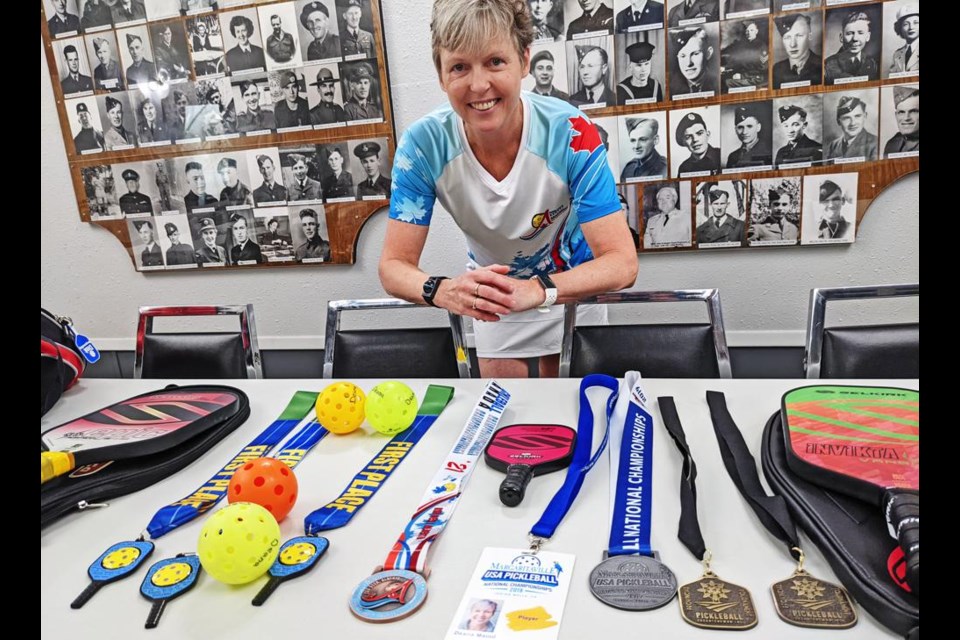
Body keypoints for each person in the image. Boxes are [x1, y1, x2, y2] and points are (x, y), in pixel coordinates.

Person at [380, 0, 637, 378]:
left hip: (569, 289)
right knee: (505, 421)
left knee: (571, 418)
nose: (479, 85)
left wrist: (539, 289)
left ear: (525, 60)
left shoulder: (572, 132)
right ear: (440, 74)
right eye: (459, 67)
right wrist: (443, 290)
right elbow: (392, 267)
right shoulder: (422, 146)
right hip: (494, 299)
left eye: (495, 62)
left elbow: (621, 262)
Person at [824, 10, 878, 83]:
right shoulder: (827, 65)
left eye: (860, 33)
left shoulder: (872, 63)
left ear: (868, 36)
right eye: (849, 33)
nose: (855, 38)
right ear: (841, 37)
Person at [772, 13, 822, 88]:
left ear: (810, 36)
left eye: (799, 36)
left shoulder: (822, 65)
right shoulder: (777, 69)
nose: (792, 44)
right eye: (787, 37)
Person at [824, 95, 877, 161]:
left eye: (857, 116)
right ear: (838, 121)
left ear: (865, 116)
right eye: (846, 118)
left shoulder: (875, 143)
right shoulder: (833, 145)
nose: (853, 123)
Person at [720, 19, 767, 92]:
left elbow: (762, 69)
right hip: (746, 75)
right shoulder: (746, 45)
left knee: (727, 83)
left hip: (757, 78)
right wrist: (725, 69)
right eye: (747, 31)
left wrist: (742, 76)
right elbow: (740, 64)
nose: (748, 33)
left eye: (751, 30)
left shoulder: (761, 47)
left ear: (756, 31)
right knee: (722, 78)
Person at [670, 27, 716, 96]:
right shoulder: (671, 89)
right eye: (683, 56)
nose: (689, 63)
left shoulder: (718, 84)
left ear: (708, 53)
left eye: (695, 54)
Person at [725, 104, 771, 169]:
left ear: (758, 127)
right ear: (735, 130)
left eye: (749, 126)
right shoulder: (732, 156)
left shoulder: (768, 153)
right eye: (740, 127)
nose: (744, 132)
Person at [883, 86, 919, 157]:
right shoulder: (892, 144)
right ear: (896, 115)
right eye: (901, 112)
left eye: (913, 111)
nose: (906, 118)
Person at [889, 4, 918, 75]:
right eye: (906, 24)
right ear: (899, 28)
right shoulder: (897, 54)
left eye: (916, 23)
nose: (911, 27)